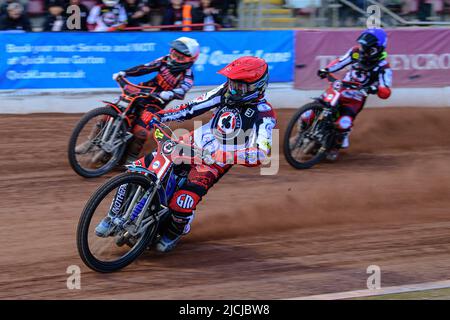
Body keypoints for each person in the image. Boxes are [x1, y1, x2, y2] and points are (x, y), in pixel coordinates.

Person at [128, 56, 276, 253]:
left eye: (239, 86)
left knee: (182, 201)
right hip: (192, 141)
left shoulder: (264, 114)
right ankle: (116, 215)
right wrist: (161, 116)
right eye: (232, 83)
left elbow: (260, 153)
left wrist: (223, 157)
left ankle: (174, 232)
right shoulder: (224, 91)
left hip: (213, 162)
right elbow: (191, 108)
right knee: (141, 169)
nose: (233, 89)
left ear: (256, 86)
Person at [110, 37, 200, 162]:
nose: (174, 59)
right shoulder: (163, 60)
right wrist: (125, 73)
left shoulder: (188, 77)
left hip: (155, 103)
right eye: (174, 54)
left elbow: (181, 91)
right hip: (142, 91)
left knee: (140, 132)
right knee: (111, 110)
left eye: (180, 58)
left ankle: (129, 160)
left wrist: (168, 94)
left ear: (190, 60)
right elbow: (145, 68)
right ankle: (89, 143)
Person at [315, 28, 393, 160]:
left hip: (356, 99)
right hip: (341, 89)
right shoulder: (356, 52)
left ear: (375, 49)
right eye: (361, 45)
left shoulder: (383, 67)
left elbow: (386, 90)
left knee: (343, 123)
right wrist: (326, 69)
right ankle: (301, 131)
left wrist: (375, 89)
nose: (362, 49)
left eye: (366, 48)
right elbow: (340, 62)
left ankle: (335, 147)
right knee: (311, 110)